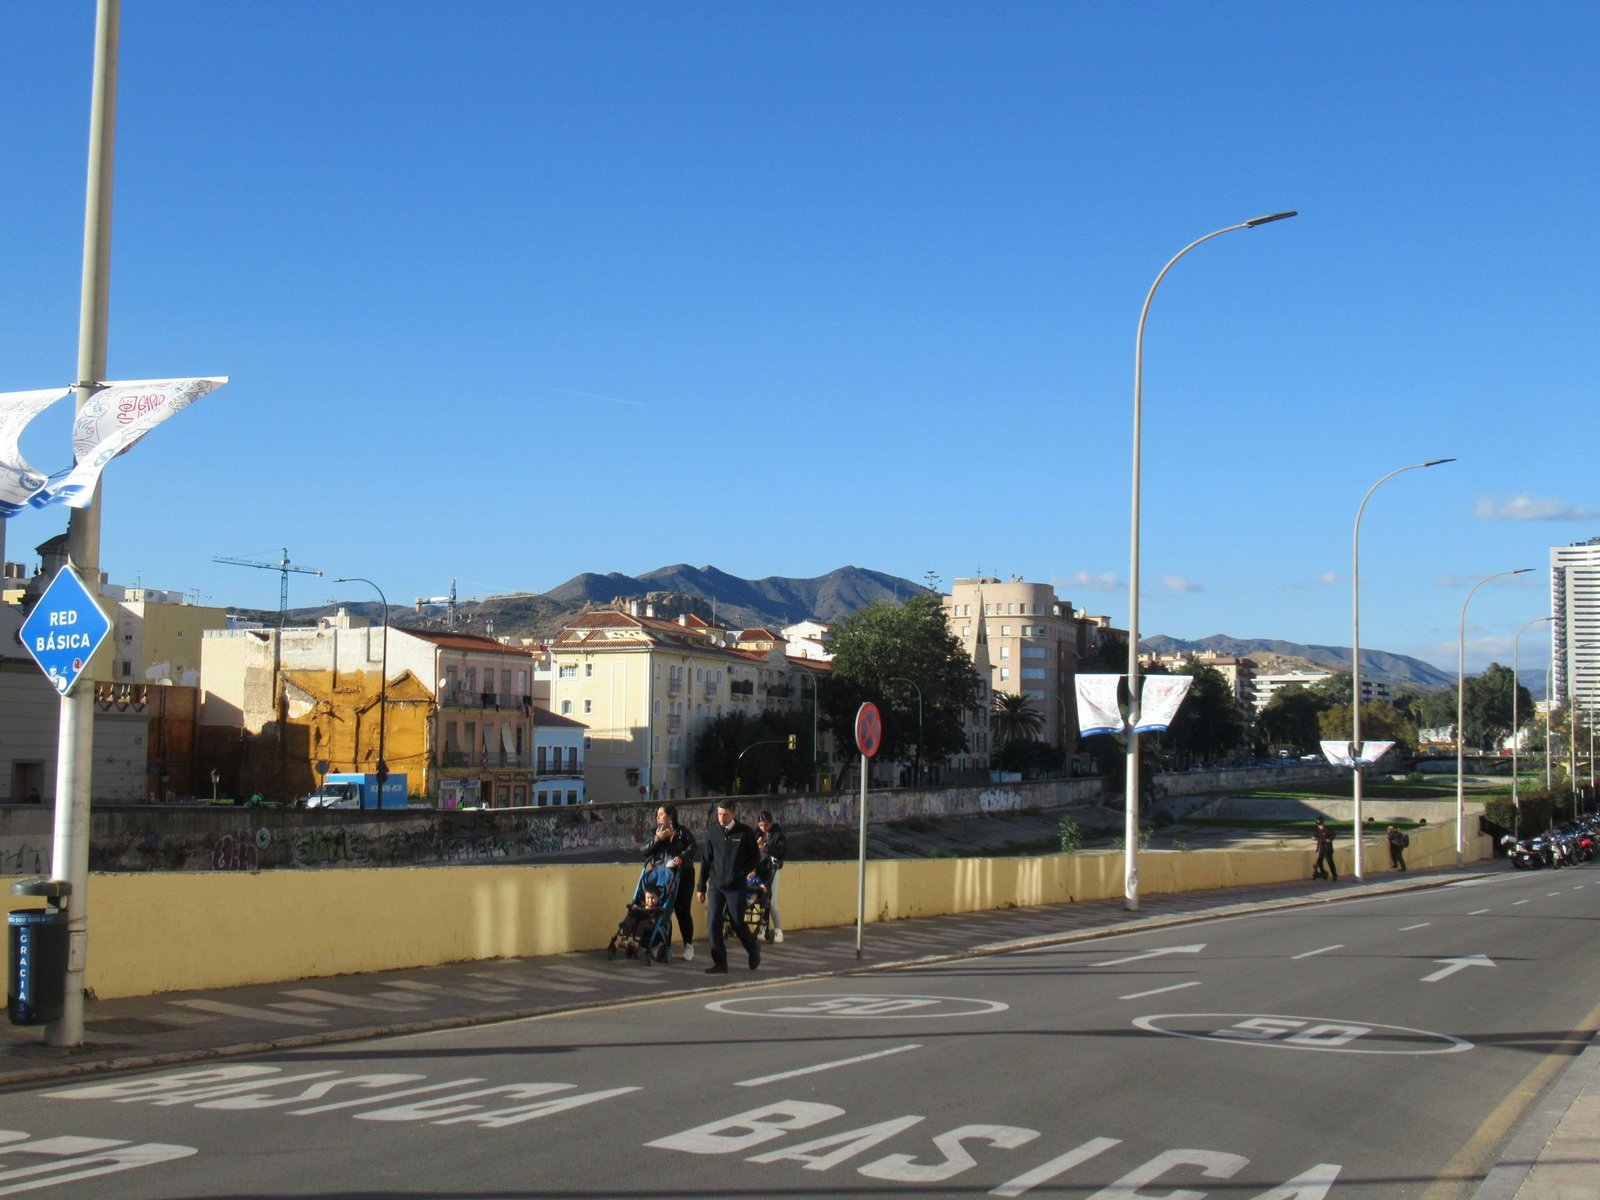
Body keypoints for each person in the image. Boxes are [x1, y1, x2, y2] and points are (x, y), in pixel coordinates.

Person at [697, 801, 762, 974]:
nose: (721, 817)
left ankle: (753, 948)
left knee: (737, 922)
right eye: (719, 814)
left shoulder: (744, 832)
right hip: (716, 885)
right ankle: (720, 963)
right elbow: (706, 860)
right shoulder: (713, 832)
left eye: (725, 814)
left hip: (735, 886)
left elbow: (755, 857)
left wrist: (741, 872)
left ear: (733, 814)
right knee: (713, 923)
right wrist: (701, 886)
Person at [642, 804, 697, 961]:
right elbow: (644, 850)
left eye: (661, 814)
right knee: (664, 910)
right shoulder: (656, 833)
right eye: (657, 814)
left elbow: (693, 847)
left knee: (682, 910)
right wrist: (658, 839)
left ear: (670, 816)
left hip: (682, 875)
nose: (658, 817)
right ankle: (666, 946)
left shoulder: (682, 832)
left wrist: (682, 857)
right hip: (663, 876)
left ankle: (688, 945)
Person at [756, 810, 786, 943]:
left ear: (771, 823)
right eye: (761, 825)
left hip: (773, 869)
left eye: (766, 825)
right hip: (760, 869)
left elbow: (781, 852)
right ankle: (762, 928)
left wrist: (766, 847)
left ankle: (778, 930)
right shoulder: (757, 834)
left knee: (772, 900)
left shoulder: (778, 835)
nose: (764, 828)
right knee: (761, 899)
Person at [617, 883, 664, 954]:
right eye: (648, 898)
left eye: (653, 898)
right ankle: (625, 939)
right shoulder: (643, 904)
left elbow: (658, 917)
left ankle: (636, 942)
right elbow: (637, 910)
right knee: (630, 921)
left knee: (642, 924)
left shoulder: (658, 908)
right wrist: (634, 907)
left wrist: (654, 919)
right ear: (645, 897)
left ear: (658, 898)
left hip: (649, 924)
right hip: (639, 921)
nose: (650, 900)